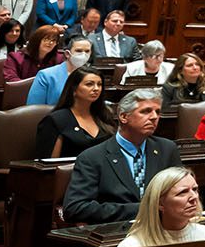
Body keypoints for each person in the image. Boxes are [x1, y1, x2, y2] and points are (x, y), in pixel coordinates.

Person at [63, 89, 180, 224]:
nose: (154, 117)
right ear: (123, 117)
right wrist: (140, 209)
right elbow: (75, 208)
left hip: (162, 229)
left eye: (157, 112)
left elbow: (183, 192)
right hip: (115, 234)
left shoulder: (167, 149)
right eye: (146, 111)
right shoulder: (92, 157)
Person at [116, 167, 205, 247]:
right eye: (182, 192)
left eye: (195, 189)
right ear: (160, 204)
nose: (194, 197)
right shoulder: (132, 246)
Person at [36, 66, 117, 157]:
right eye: (89, 84)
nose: (96, 89)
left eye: (99, 84)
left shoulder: (104, 115)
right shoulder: (56, 120)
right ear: (74, 89)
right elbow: (49, 164)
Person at [28, 36, 94, 105]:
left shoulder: (92, 76)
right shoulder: (46, 75)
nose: (83, 54)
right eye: (78, 51)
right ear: (67, 54)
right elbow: (34, 108)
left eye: (87, 51)